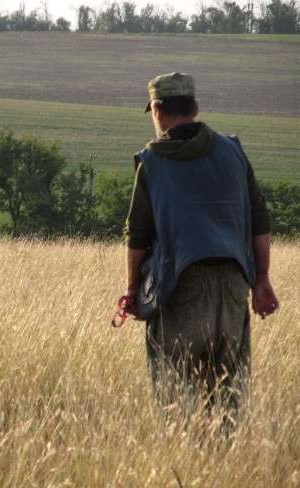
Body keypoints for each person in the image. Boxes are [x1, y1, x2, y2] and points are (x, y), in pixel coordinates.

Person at [122, 72, 279, 429]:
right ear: (195, 108)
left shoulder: (152, 162)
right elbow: (259, 218)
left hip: (180, 289)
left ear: (157, 111)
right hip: (234, 285)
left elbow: (138, 234)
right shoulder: (234, 151)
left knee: (174, 399)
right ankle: (225, 458)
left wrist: (132, 290)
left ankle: (185, 458)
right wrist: (262, 280)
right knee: (228, 396)